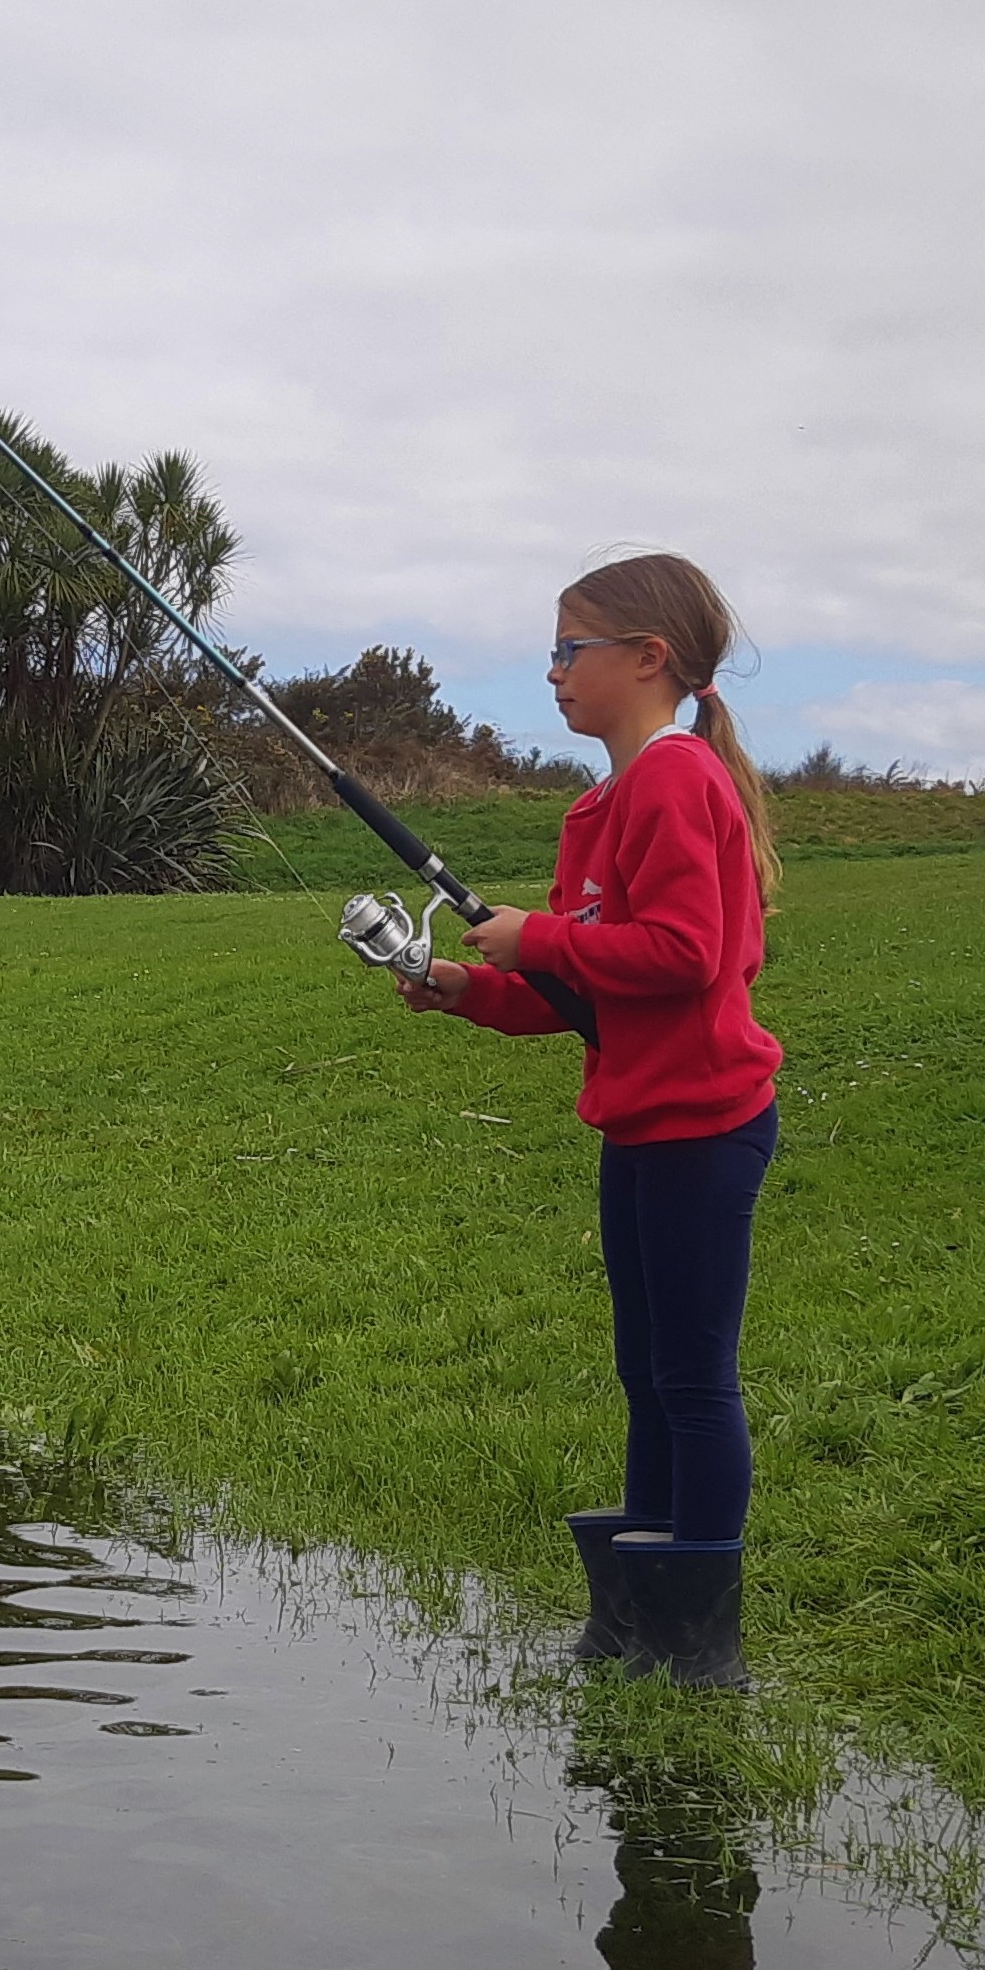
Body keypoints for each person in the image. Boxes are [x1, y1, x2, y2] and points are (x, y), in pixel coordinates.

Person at [395, 553, 782, 1688]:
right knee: (644, 1367)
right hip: (639, 1123)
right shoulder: (603, 803)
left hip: (706, 1126)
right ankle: (631, 1619)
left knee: (694, 1376)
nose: (552, 671)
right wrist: (472, 988)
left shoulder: (674, 782)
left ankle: (698, 1647)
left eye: (570, 650)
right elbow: (586, 991)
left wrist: (540, 936)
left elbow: (682, 957)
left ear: (647, 659)